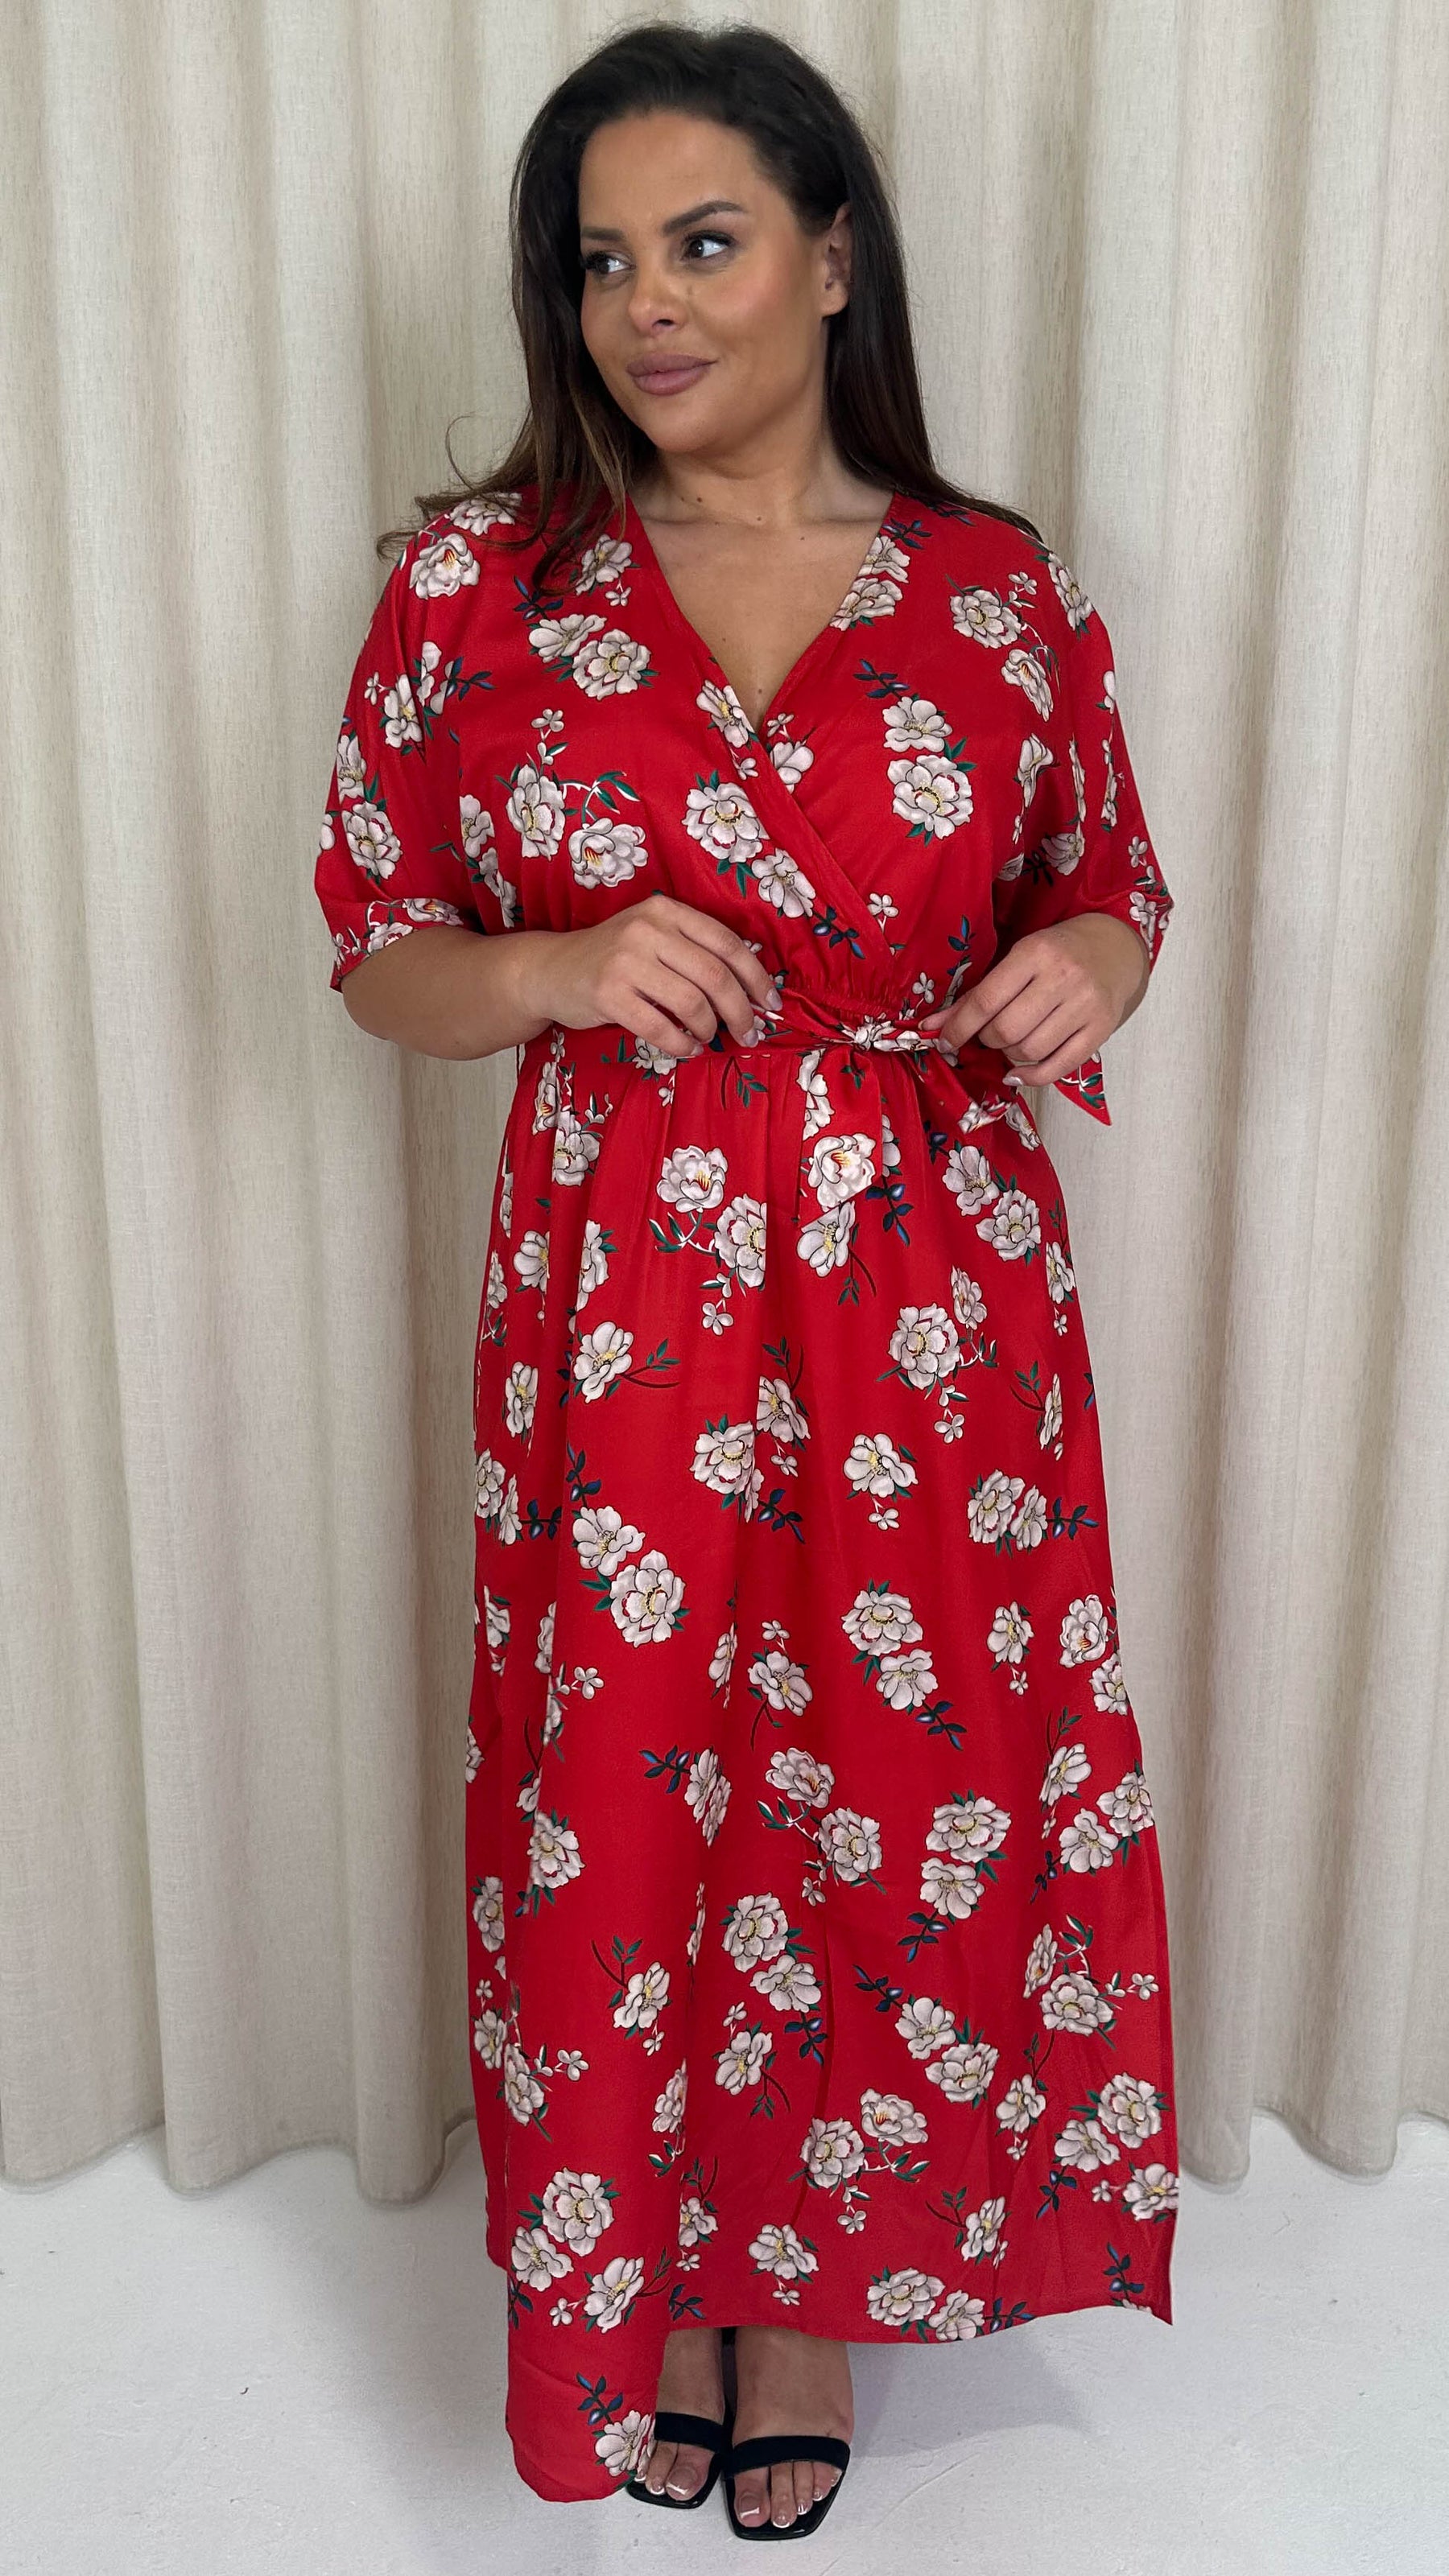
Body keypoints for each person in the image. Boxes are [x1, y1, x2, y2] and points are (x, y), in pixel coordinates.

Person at [312, 19, 1179, 2537]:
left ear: (832, 255)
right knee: (633, 1788)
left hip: (932, 1299)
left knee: (893, 1794)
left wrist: (1091, 965)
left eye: (703, 243)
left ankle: (802, 2304)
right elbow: (377, 944)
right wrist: (557, 964)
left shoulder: (996, 590)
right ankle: (651, 2274)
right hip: (630, 1292)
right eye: (601, 263)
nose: (647, 308)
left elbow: (1105, 878)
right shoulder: (482, 591)